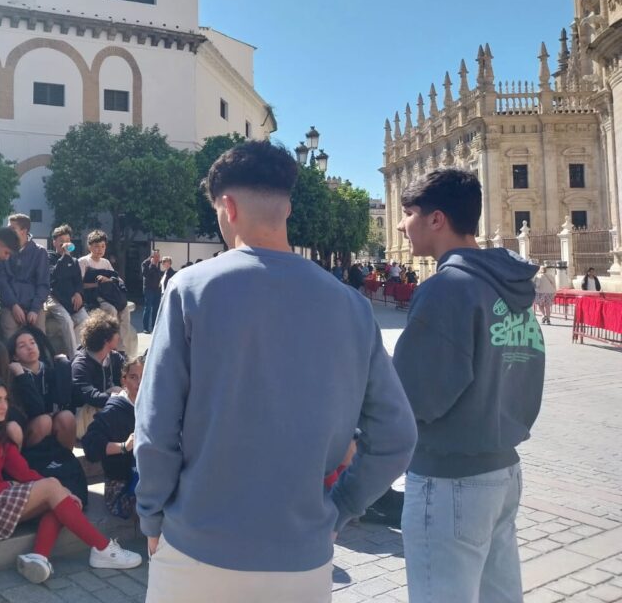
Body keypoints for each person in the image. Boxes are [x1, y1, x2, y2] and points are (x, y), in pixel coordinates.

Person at [136, 141, 416, 603]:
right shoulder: (351, 306)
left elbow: (155, 427)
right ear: (286, 207)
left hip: (196, 548)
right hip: (303, 559)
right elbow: (397, 437)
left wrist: (151, 516)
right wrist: (341, 508)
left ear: (227, 207)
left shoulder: (190, 289)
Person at [393, 168, 545, 603]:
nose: (401, 225)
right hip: (503, 469)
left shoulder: (447, 288)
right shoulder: (511, 289)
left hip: (449, 477)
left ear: (436, 219)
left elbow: (411, 398)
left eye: (408, 213)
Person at [0, 376, 142, 585]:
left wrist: (62, 492)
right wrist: (12, 485)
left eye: (5, 399)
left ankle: (39, 556)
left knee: (60, 501)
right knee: (54, 491)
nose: (4, 406)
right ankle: (103, 548)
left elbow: (24, 472)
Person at [81, 354, 143, 519]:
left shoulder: (153, 406)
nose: (139, 382)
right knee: (158, 505)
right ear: (124, 380)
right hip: (122, 487)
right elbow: (90, 445)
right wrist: (123, 446)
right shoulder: (114, 410)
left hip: (150, 480)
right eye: (133, 377)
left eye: (144, 376)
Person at [9, 325, 77, 450]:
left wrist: (64, 366)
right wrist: (21, 376)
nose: (30, 347)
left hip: (51, 421)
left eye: (32, 343)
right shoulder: (15, 376)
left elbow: (65, 400)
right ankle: (36, 461)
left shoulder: (48, 369)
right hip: (28, 427)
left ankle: (65, 459)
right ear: (15, 356)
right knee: (44, 421)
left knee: (67, 417)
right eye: (22, 346)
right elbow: (36, 409)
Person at [71, 310, 126, 437]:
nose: (119, 336)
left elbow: (130, 372)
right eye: (116, 333)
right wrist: (119, 397)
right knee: (117, 392)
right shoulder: (80, 365)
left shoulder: (114, 357)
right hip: (85, 415)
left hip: (107, 409)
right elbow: (91, 396)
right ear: (106, 340)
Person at [0, 213, 50, 340]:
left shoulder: (39, 252)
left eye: (12, 229)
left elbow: (43, 284)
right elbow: (2, 282)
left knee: (39, 340)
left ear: (23, 231)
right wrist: (14, 305)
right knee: (10, 338)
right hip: (10, 305)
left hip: (33, 305)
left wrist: (35, 309)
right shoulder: (3, 251)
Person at [79, 230, 130, 345]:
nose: (100, 249)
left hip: (108, 295)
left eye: (103, 246)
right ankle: (109, 343)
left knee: (125, 309)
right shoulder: (83, 262)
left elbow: (117, 279)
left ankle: (121, 346)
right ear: (89, 246)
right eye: (96, 246)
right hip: (93, 297)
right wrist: (98, 284)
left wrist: (108, 280)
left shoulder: (106, 262)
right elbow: (80, 285)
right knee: (111, 310)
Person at [46, 224, 87, 357]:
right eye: (61, 240)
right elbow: (54, 275)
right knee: (67, 321)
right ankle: (74, 357)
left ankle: (76, 350)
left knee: (86, 321)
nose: (65, 243)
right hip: (55, 297)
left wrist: (78, 293)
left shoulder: (74, 261)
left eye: (67, 240)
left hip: (72, 298)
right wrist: (65, 256)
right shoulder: (48, 257)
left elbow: (78, 281)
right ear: (54, 242)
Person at [140, 250, 163, 334]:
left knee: (156, 308)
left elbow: (159, 274)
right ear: (152, 257)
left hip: (157, 288)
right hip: (148, 288)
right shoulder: (145, 263)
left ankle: (154, 327)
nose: (158, 259)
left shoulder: (159, 263)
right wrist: (152, 265)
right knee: (148, 308)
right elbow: (145, 274)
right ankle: (145, 328)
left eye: (159, 257)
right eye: (156, 257)